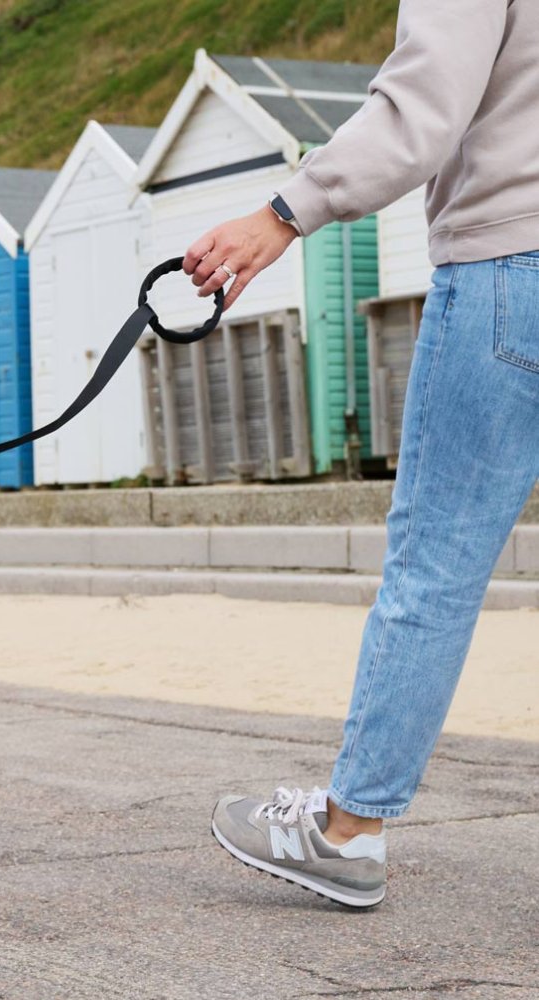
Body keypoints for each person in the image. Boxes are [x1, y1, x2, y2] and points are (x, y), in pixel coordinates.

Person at [188, 0, 539, 907]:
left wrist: (284, 213)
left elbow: (421, 110)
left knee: (440, 566)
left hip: (514, 266)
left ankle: (348, 834)